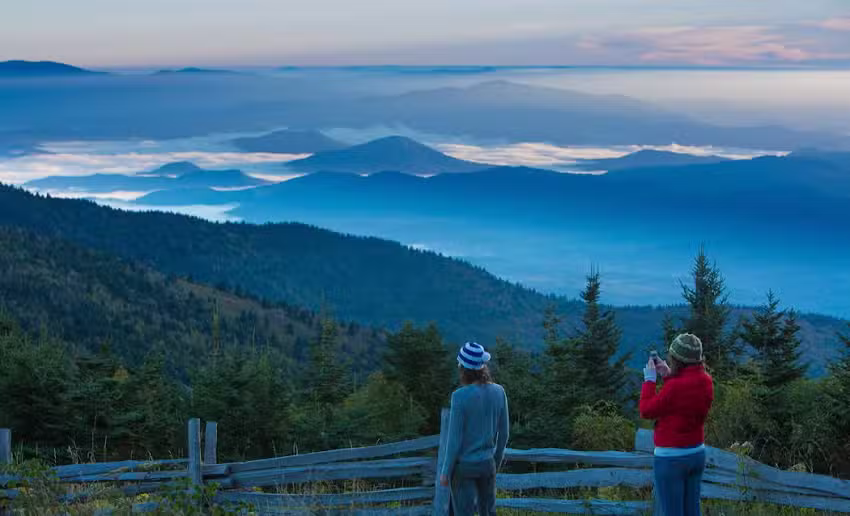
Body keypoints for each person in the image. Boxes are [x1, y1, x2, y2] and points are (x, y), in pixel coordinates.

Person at [640, 333, 714, 516]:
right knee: (692, 511)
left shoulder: (675, 387)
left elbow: (647, 410)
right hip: (696, 453)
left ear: (677, 359)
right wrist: (667, 375)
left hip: (671, 459)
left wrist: (650, 380)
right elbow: (681, 403)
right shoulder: (706, 380)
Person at [439, 342, 509, 516]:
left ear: (463, 368)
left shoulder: (459, 397)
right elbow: (504, 433)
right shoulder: (499, 392)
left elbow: (454, 440)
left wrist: (445, 472)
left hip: (465, 467)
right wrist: (496, 461)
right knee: (488, 512)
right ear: (483, 367)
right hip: (487, 464)